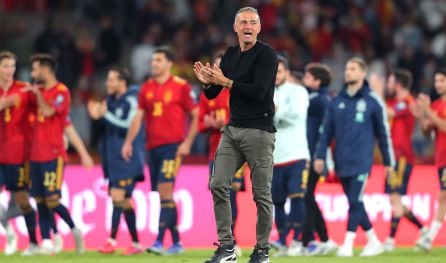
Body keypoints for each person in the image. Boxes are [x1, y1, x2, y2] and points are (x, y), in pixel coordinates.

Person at [194, 6, 278, 263]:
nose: (248, 26)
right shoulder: (230, 55)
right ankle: (227, 247)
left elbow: (259, 92)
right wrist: (207, 82)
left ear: (259, 28)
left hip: (260, 131)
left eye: (253, 22)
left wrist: (225, 82)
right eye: (243, 22)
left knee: (261, 194)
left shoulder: (267, 55)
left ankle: (262, 250)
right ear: (235, 28)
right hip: (232, 130)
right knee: (218, 183)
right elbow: (212, 94)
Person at [314, 57, 394, 257]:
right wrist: (320, 156)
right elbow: (326, 133)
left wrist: (388, 162)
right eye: (347, 68)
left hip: (362, 160)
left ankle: (348, 243)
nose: (348, 72)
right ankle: (374, 240)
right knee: (354, 202)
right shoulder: (336, 101)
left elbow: (383, 135)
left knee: (355, 199)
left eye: (353, 69)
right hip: (342, 160)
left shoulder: (372, 101)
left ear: (362, 73)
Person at [122, 47, 198, 255]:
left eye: (158, 60)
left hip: (172, 147)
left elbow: (196, 113)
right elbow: (138, 117)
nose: (153, 63)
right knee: (164, 195)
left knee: (165, 190)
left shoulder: (181, 86)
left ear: (169, 64)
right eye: (153, 60)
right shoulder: (146, 88)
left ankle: (157, 241)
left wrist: (188, 142)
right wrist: (128, 142)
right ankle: (177, 242)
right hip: (152, 148)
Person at [24, 53, 83, 255]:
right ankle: (47, 241)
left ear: (46, 70)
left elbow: (49, 112)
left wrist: (37, 95)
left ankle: (75, 230)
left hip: (53, 154)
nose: (33, 73)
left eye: (35, 69)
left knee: (52, 200)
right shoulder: (36, 91)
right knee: (39, 201)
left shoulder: (61, 92)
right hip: (35, 155)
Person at [88, 66, 145, 255]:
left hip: (126, 158)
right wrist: (96, 117)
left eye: (111, 79)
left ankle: (111, 241)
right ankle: (136, 244)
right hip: (112, 158)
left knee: (117, 196)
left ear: (122, 82)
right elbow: (103, 129)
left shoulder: (131, 99)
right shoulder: (111, 101)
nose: (108, 83)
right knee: (125, 202)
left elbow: (128, 125)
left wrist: (104, 114)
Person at [197, 52, 245, 257]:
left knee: (232, 193)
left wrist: (223, 125)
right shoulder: (208, 95)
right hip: (214, 153)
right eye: (216, 67)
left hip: (238, 150)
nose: (218, 70)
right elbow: (199, 124)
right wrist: (208, 124)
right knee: (220, 194)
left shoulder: (237, 91)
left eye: (222, 67)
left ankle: (233, 239)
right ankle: (227, 240)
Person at [378, 69, 427, 251]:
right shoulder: (394, 101)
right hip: (392, 157)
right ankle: (424, 231)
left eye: (390, 81)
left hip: (402, 157)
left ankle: (390, 241)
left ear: (398, 83)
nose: (388, 85)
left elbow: (387, 112)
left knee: (395, 198)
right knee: (395, 200)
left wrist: (377, 91)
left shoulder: (408, 102)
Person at [269, 54, 310, 257]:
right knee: (277, 202)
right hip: (274, 157)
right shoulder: (265, 93)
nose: (275, 75)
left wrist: (275, 110)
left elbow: (297, 114)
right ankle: (284, 242)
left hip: (296, 154)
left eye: (279, 71)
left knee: (297, 197)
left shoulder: (298, 91)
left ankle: (297, 241)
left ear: (287, 72)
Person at [0, 51, 38, 256]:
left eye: (12, 66)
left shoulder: (24, 90)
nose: (9, 70)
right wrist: (3, 104)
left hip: (18, 153)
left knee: (22, 199)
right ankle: (9, 232)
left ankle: (33, 242)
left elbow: (42, 113)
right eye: (5, 66)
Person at [300, 62, 337, 255]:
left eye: (307, 77)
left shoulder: (317, 100)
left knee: (306, 196)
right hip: (313, 154)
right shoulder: (321, 98)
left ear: (317, 81)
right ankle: (318, 238)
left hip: (313, 155)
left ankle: (312, 239)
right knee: (307, 196)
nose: (304, 80)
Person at [415, 68, 446, 251]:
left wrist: (428, 111)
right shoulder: (435, 105)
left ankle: (429, 238)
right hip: (440, 159)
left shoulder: (434, 107)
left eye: (442, 81)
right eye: (436, 81)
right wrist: (421, 117)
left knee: (443, 195)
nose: (438, 85)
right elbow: (428, 133)